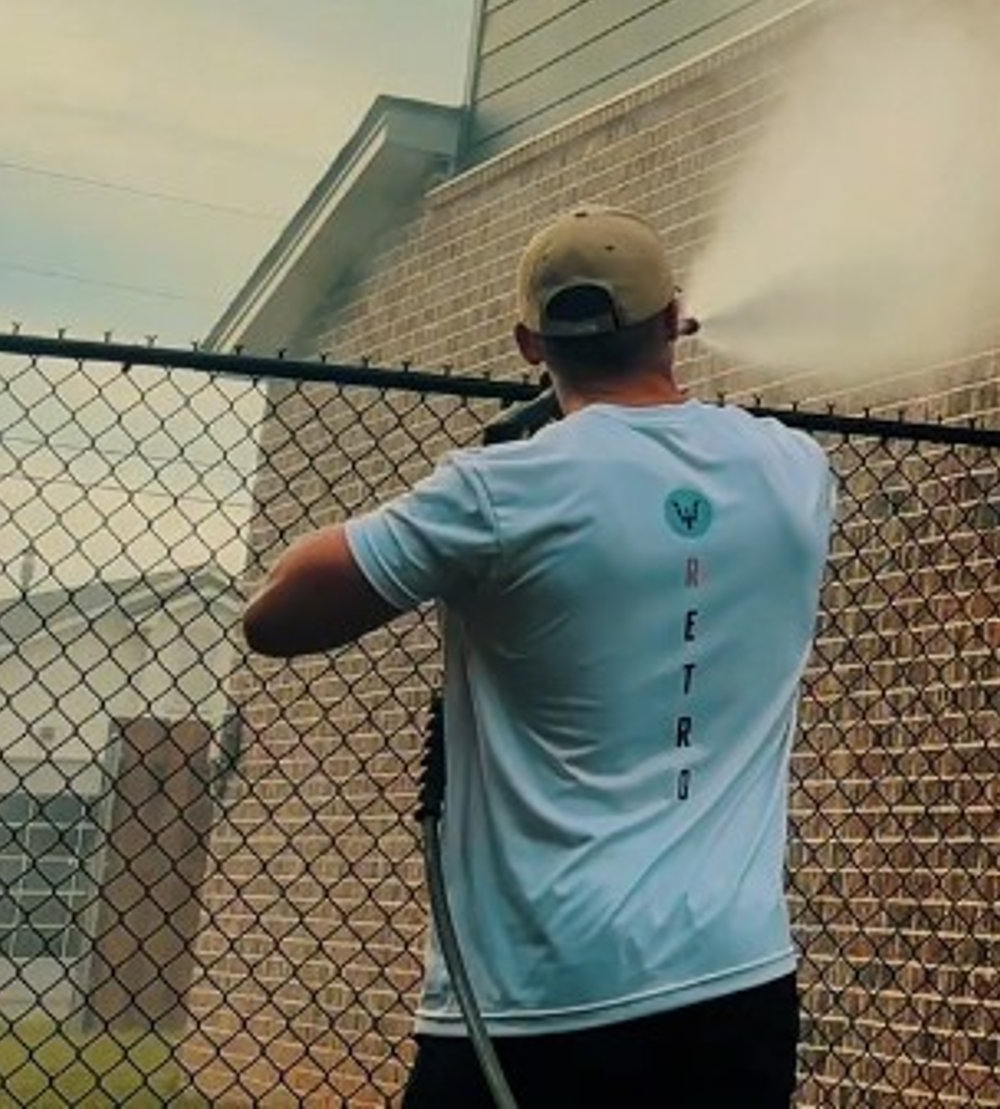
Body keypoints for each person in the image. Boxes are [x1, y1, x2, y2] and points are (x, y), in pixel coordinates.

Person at [242, 203, 836, 1109]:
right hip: (735, 982)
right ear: (676, 318)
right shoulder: (794, 470)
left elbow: (275, 615)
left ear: (530, 342)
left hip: (538, 1002)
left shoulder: (496, 493)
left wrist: (490, 493)